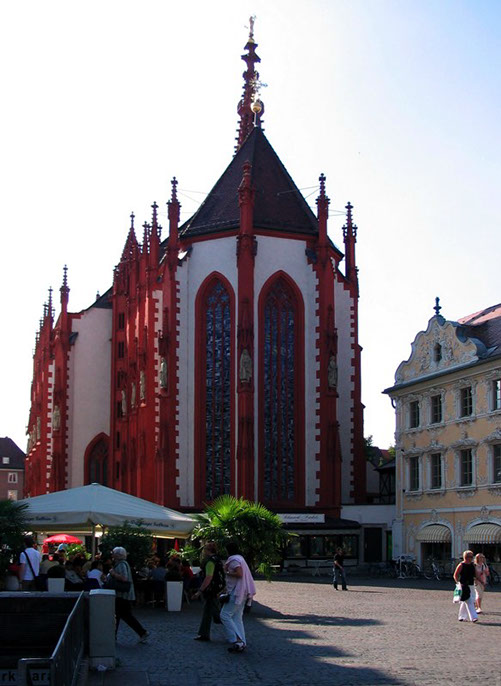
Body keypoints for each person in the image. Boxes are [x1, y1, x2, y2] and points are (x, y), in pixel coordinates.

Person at [220, 541, 256, 653]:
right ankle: (241, 642)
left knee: (225, 615)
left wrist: (227, 573)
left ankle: (237, 639)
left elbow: (239, 574)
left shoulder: (234, 560)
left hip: (237, 591)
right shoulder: (240, 558)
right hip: (243, 590)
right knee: (237, 617)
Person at [109, 546, 149, 643]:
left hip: (122, 594)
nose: (112, 555)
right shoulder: (122, 564)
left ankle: (142, 632)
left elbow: (124, 578)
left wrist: (113, 573)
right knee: (121, 615)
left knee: (124, 615)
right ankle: (113, 636)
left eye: (113, 553)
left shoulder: (121, 564)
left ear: (118, 555)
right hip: (123, 594)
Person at [193, 542, 225, 642]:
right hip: (216, 588)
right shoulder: (218, 560)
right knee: (208, 611)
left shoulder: (210, 562)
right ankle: (204, 634)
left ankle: (236, 631)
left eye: (204, 549)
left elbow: (208, 577)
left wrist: (199, 591)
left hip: (211, 589)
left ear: (207, 551)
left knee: (218, 614)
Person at [453, 550, 478, 622]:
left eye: (471, 556)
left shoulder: (472, 565)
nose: (471, 558)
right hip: (463, 585)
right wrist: (458, 583)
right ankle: (473, 617)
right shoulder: (461, 565)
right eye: (469, 556)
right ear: (465, 557)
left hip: (471, 584)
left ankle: (462, 616)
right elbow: (455, 575)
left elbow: (475, 574)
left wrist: (476, 580)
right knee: (470, 601)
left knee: (465, 600)